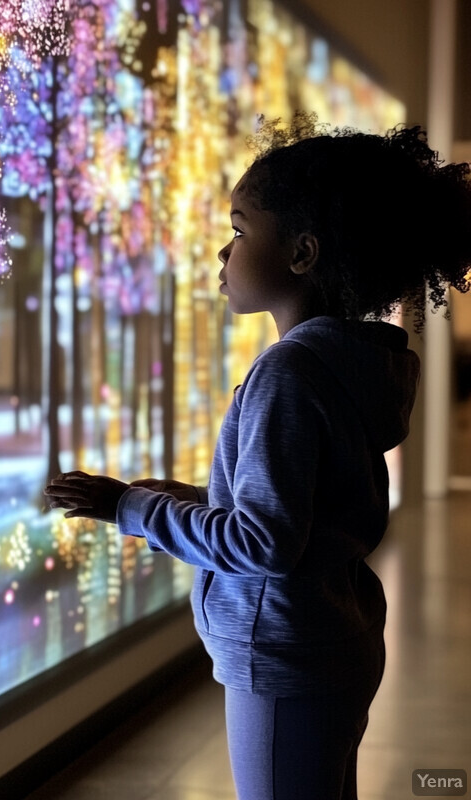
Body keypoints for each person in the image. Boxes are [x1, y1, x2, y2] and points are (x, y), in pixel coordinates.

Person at [43, 113, 471, 800]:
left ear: (302, 253)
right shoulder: (349, 365)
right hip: (335, 639)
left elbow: (264, 541)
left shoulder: (290, 374)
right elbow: (299, 514)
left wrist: (130, 507)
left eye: (240, 231)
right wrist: (176, 502)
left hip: (282, 656)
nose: (223, 253)